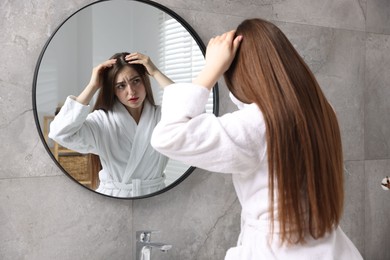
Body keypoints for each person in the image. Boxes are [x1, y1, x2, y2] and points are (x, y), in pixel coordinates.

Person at [151, 18, 363, 259]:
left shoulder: (258, 124)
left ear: (239, 74)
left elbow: (167, 136)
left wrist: (211, 69)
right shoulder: (323, 111)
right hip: (332, 247)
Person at [49, 52, 173, 197]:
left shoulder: (164, 116)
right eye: (121, 86)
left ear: (145, 80)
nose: (131, 91)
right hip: (112, 200)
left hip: (156, 199)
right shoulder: (102, 121)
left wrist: (156, 72)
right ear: (113, 90)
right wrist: (93, 86)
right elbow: (59, 133)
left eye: (136, 81)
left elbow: (193, 113)